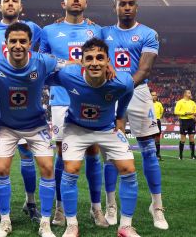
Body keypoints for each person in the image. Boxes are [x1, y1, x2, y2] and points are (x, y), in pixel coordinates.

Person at [47, 38, 140, 237]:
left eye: (100, 58)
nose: (95, 62)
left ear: (108, 60)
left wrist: (120, 116)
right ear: (82, 62)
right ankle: (72, 225)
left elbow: (128, 91)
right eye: (89, 58)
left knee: (129, 170)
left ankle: (125, 226)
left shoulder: (121, 81)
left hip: (107, 128)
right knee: (70, 169)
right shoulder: (69, 75)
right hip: (75, 127)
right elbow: (43, 77)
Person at [0, 22, 67, 237]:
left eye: (23, 41)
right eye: (13, 41)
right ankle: (4, 221)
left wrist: (100, 65)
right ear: (6, 44)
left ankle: (45, 223)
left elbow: (71, 65)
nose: (18, 45)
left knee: (48, 169)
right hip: (6, 127)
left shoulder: (43, 61)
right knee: (1, 170)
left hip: (36, 125)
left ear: (30, 43)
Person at [39, 0, 106, 227]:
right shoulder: (49, 30)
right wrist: (65, 63)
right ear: (63, 3)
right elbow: (42, 61)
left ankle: (95, 209)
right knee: (62, 155)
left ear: (86, 2)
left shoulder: (96, 30)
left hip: (92, 99)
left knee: (93, 152)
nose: (76, 0)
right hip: (61, 99)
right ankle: (59, 208)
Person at [102, 0, 168, 230]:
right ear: (115, 7)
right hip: (109, 93)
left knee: (149, 150)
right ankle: (111, 205)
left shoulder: (149, 34)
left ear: (136, 7)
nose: (127, 7)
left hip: (138, 93)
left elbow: (145, 69)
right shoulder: (104, 33)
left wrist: (125, 85)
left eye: (131, 4)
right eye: (122, 4)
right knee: (109, 152)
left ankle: (157, 206)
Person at [0, 0, 42, 221]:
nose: (11, 3)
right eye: (7, 1)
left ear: (21, 5)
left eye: (15, 0)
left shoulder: (34, 28)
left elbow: (47, 50)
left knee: (27, 153)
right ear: (0, 6)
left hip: (24, 97)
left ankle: (31, 202)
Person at [174, 89, 196, 160]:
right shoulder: (180, 102)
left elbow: (195, 110)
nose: (190, 94)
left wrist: (194, 113)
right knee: (183, 139)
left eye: (190, 93)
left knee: (192, 138)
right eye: (189, 93)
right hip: (184, 121)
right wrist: (185, 113)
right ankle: (180, 155)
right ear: (185, 94)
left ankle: (193, 155)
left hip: (192, 121)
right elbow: (176, 111)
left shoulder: (193, 102)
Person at [152, 91, 164, 160]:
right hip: (150, 122)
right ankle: (152, 154)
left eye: (155, 95)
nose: (155, 96)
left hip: (157, 121)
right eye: (153, 95)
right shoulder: (148, 104)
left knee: (157, 139)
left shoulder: (159, 104)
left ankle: (158, 154)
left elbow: (161, 112)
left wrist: (158, 118)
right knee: (150, 139)